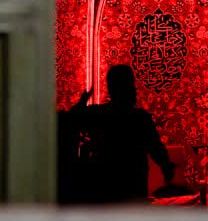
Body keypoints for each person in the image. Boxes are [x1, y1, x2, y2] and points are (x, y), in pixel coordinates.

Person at [62, 64, 176, 203]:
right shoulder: (140, 118)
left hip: (107, 187)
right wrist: (166, 167)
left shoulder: (100, 114)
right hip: (134, 187)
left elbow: (71, 119)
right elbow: (156, 149)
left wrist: (83, 101)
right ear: (131, 87)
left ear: (110, 88)